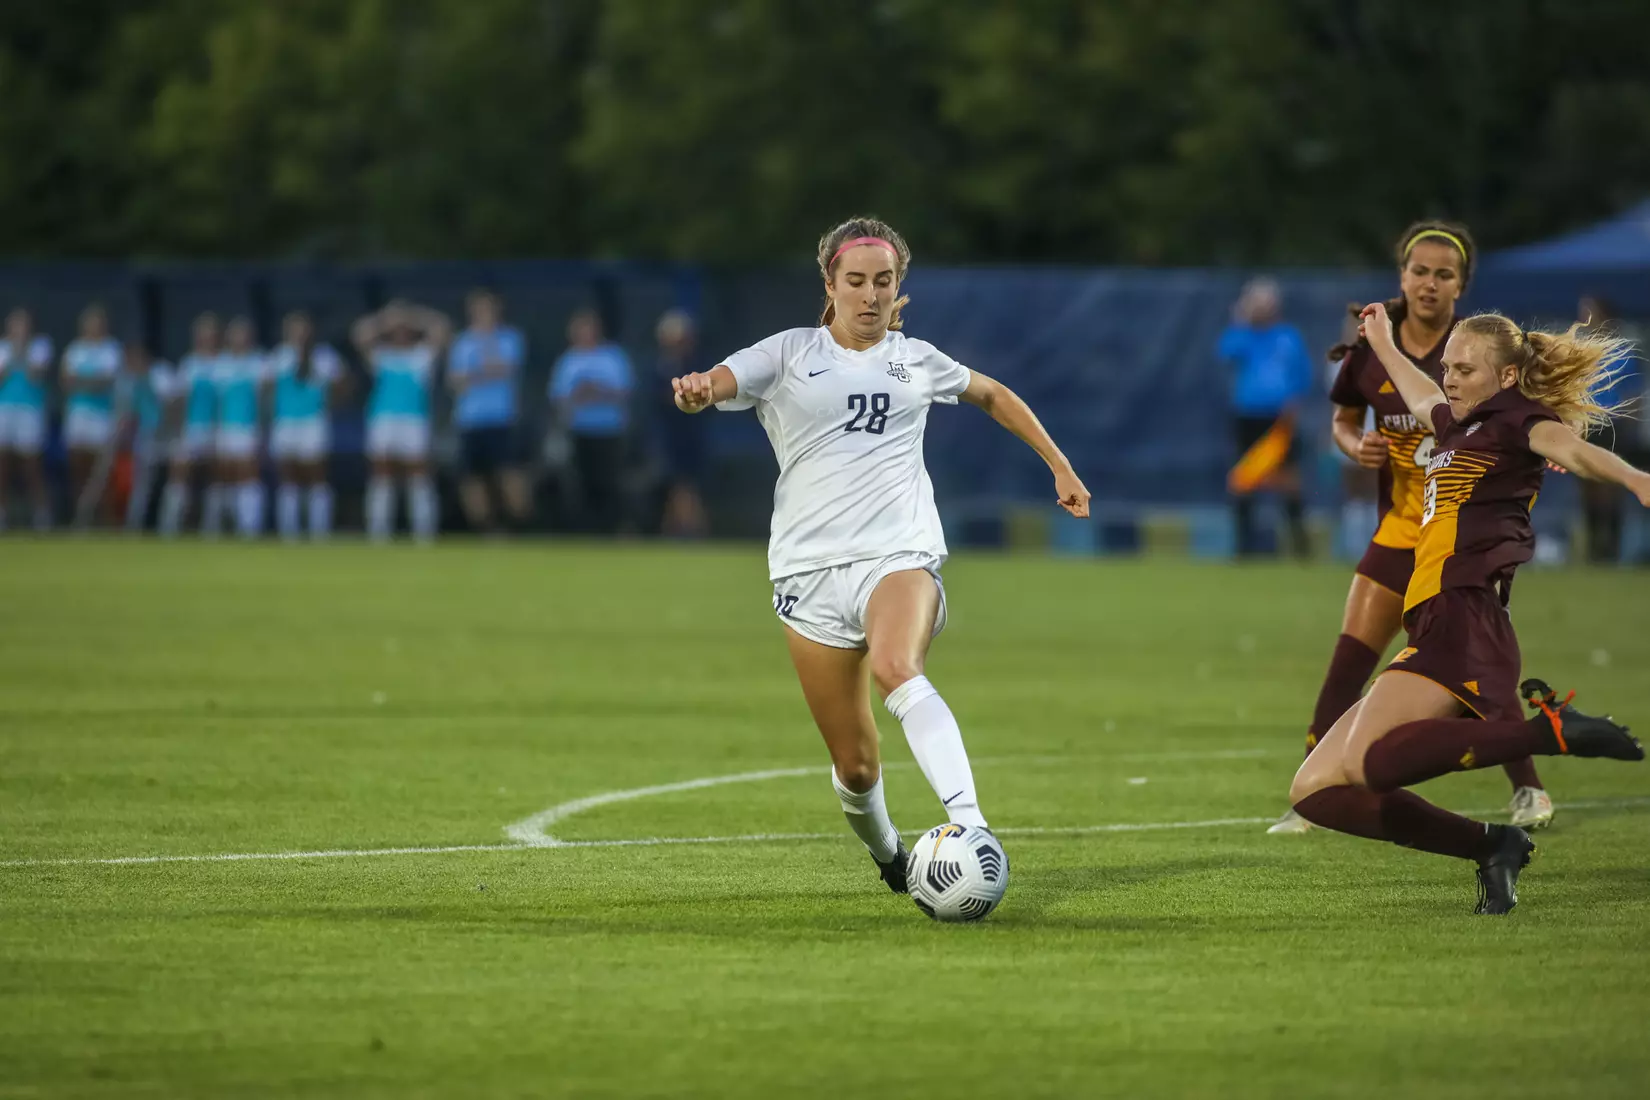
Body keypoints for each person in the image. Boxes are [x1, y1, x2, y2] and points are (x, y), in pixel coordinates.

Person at [668, 216, 1091, 892]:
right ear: (829, 285)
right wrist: (697, 390)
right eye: (856, 281)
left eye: (883, 282)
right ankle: (892, 854)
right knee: (857, 766)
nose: (869, 295)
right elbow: (719, 381)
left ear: (899, 288)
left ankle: (971, 827)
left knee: (898, 667)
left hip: (898, 553)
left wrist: (1059, 465)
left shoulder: (915, 359)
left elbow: (991, 394)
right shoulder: (787, 353)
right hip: (808, 577)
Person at [1288, 302, 1648, 914]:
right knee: (1316, 790)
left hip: (1466, 618)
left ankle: (1550, 731)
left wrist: (1639, 481)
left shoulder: (1518, 420)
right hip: (1434, 621)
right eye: (1449, 367)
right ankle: (1492, 846)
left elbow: (1574, 449)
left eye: (1465, 369)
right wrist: (1382, 342)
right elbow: (1422, 391)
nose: (1451, 378)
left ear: (1506, 378)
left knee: (1375, 765)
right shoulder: (1459, 426)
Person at [1269, 222, 1552, 835]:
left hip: (1460, 547)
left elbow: (1532, 423)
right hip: (1399, 533)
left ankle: (1529, 788)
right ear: (1402, 277)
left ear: (1462, 286)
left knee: (1477, 676)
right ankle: (1310, 794)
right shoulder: (1373, 352)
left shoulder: (1479, 353)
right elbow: (1343, 419)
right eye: (1419, 271)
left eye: (1443, 274)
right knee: (1348, 663)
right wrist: (1354, 445)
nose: (1429, 283)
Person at [1217, 278, 1313, 557]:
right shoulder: (1243, 336)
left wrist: (1293, 407)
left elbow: (1301, 376)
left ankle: (1300, 547)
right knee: (1244, 480)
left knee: (1289, 481)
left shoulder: (1288, 337)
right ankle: (1243, 548)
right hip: (1247, 417)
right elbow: (1225, 352)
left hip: (1279, 419)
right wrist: (1240, 318)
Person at [353, 300, 450, 542]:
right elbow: (359, 334)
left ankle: (424, 531)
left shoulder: (421, 357)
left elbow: (442, 328)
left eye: (404, 330)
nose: (400, 333)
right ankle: (379, 531)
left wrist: (411, 315)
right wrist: (386, 318)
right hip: (383, 420)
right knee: (381, 475)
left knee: (418, 476)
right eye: (397, 331)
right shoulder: (382, 356)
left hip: (414, 420)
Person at [448, 289, 530, 533]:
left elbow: (503, 369)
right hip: (469, 419)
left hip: (500, 417)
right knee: (471, 477)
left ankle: (520, 523)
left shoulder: (509, 338)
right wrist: (480, 372)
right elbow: (456, 381)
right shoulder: (463, 342)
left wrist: (478, 367)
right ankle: (485, 527)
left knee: (507, 473)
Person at [549, 307, 634, 534]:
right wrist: (579, 394)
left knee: (609, 481)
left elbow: (625, 392)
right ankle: (585, 531)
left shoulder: (613, 357)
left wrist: (598, 391)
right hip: (579, 429)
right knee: (580, 483)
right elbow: (559, 397)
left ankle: (616, 528)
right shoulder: (568, 361)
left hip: (608, 429)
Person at [1574, 296, 1646, 563]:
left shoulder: (1622, 353)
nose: (1583, 317)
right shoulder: (1579, 352)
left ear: (1603, 315)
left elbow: (1634, 393)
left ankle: (1610, 549)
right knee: (1588, 486)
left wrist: (1630, 426)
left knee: (1611, 487)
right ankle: (1594, 549)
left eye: (1589, 312)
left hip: (1612, 425)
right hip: (1586, 425)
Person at [267, 311, 344, 540]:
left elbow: (343, 385)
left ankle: (319, 531)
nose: (300, 334)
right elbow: (265, 387)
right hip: (286, 421)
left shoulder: (325, 357)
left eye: (303, 329)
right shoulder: (279, 356)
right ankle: (289, 531)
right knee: (288, 476)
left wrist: (329, 401)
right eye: (295, 330)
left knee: (316, 475)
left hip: (313, 420)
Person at [159, 313, 223, 537]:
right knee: (179, 474)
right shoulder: (190, 364)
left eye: (210, 335)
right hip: (191, 428)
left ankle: (211, 526)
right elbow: (180, 400)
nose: (206, 339)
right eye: (202, 335)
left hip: (216, 428)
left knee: (216, 476)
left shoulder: (223, 364)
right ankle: (170, 524)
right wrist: (177, 430)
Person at [61, 303, 123, 521]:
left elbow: (105, 382)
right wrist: (90, 380)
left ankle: (106, 520)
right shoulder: (75, 349)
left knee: (102, 472)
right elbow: (66, 382)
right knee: (79, 468)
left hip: (101, 416)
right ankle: (81, 517)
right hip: (78, 414)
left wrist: (81, 380)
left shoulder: (111, 349)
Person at [651, 309, 710, 538]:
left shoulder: (697, 364)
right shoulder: (660, 365)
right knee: (676, 485)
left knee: (687, 484)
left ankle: (693, 529)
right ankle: (675, 529)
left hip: (692, 434)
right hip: (669, 434)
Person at [212, 316, 269, 538]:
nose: (240, 339)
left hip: (248, 427)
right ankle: (222, 524)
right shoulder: (221, 364)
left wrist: (263, 428)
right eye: (236, 334)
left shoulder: (259, 363)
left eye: (244, 334)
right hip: (224, 427)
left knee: (248, 474)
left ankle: (250, 527)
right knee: (224, 475)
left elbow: (265, 399)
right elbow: (217, 402)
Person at [0, 308, 54, 532]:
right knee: (2, 464)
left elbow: (35, 374)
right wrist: (13, 351)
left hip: (30, 410)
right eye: (15, 325)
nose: (18, 330)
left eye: (22, 325)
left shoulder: (41, 346)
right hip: (4, 409)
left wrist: (20, 350)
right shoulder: (2, 347)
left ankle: (41, 515)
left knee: (31, 465)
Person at [115, 344, 177, 531]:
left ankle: (169, 524)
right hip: (146, 434)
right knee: (142, 482)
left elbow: (173, 405)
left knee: (174, 478)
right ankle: (135, 523)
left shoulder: (161, 374)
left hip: (168, 434)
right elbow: (129, 412)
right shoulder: (129, 380)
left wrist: (168, 429)